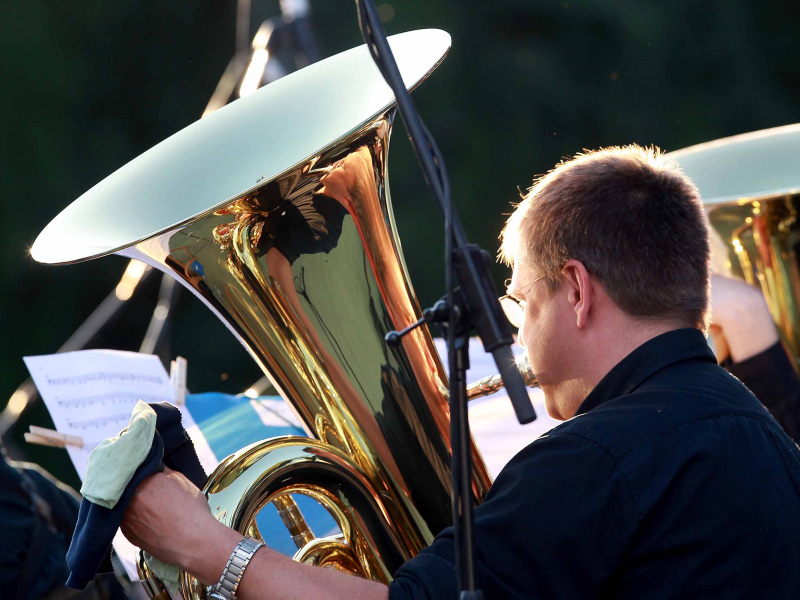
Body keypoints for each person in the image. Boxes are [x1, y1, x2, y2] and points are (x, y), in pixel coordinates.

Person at [119, 145, 800, 599]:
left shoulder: (595, 459)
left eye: (521, 301)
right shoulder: (769, 440)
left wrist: (206, 546)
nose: (518, 330)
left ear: (578, 291)